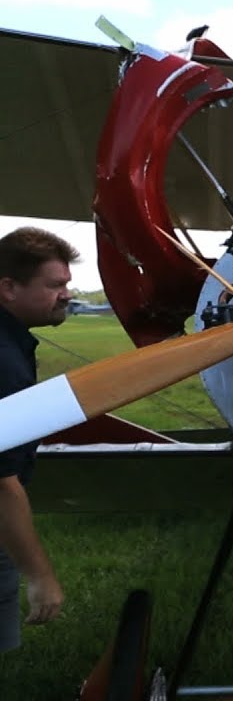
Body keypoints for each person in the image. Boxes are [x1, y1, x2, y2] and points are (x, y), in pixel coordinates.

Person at [0, 227, 78, 652]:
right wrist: (41, 576)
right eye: (55, 285)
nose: (66, 294)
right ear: (8, 288)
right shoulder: (5, 361)